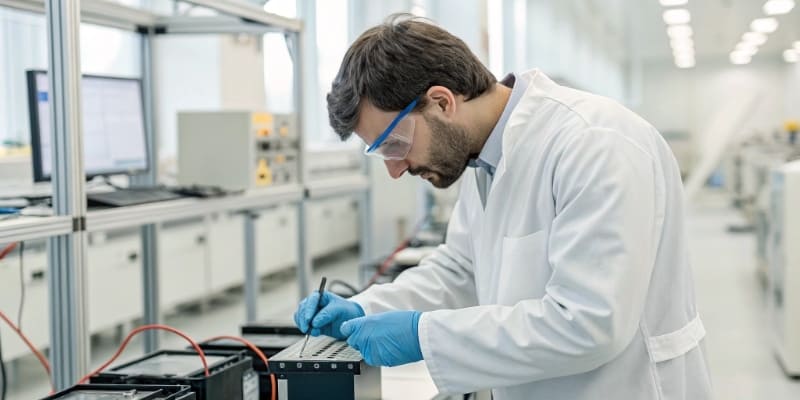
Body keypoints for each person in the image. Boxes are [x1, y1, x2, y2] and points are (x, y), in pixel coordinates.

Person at [294, 14, 712, 400]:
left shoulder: (595, 142)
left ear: (442, 102)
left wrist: (423, 335)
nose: (395, 169)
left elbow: (590, 323)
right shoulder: (484, 157)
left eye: (395, 145)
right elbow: (462, 270)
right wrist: (365, 308)